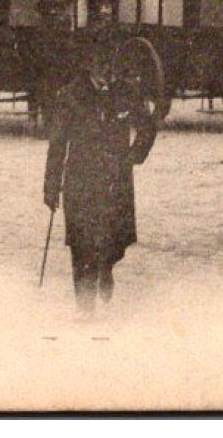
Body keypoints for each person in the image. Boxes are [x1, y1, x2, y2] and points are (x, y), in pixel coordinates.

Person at [43, 63, 157, 316]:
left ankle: (106, 268)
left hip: (115, 181)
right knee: (81, 243)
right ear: (89, 67)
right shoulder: (71, 96)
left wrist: (133, 156)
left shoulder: (126, 91)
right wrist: (51, 188)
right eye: (100, 66)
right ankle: (85, 307)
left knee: (111, 238)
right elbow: (57, 143)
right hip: (80, 181)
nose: (107, 73)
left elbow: (148, 126)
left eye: (110, 66)